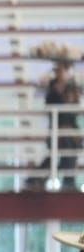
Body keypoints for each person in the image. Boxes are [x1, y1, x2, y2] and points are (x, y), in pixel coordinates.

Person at [38, 62, 80, 190]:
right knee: (60, 153)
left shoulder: (72, 89)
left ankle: (68, 182)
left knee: (69, 151)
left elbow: (73, 110)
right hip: (57, 129)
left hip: (69, 130)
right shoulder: (51, 88)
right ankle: (66, 182)